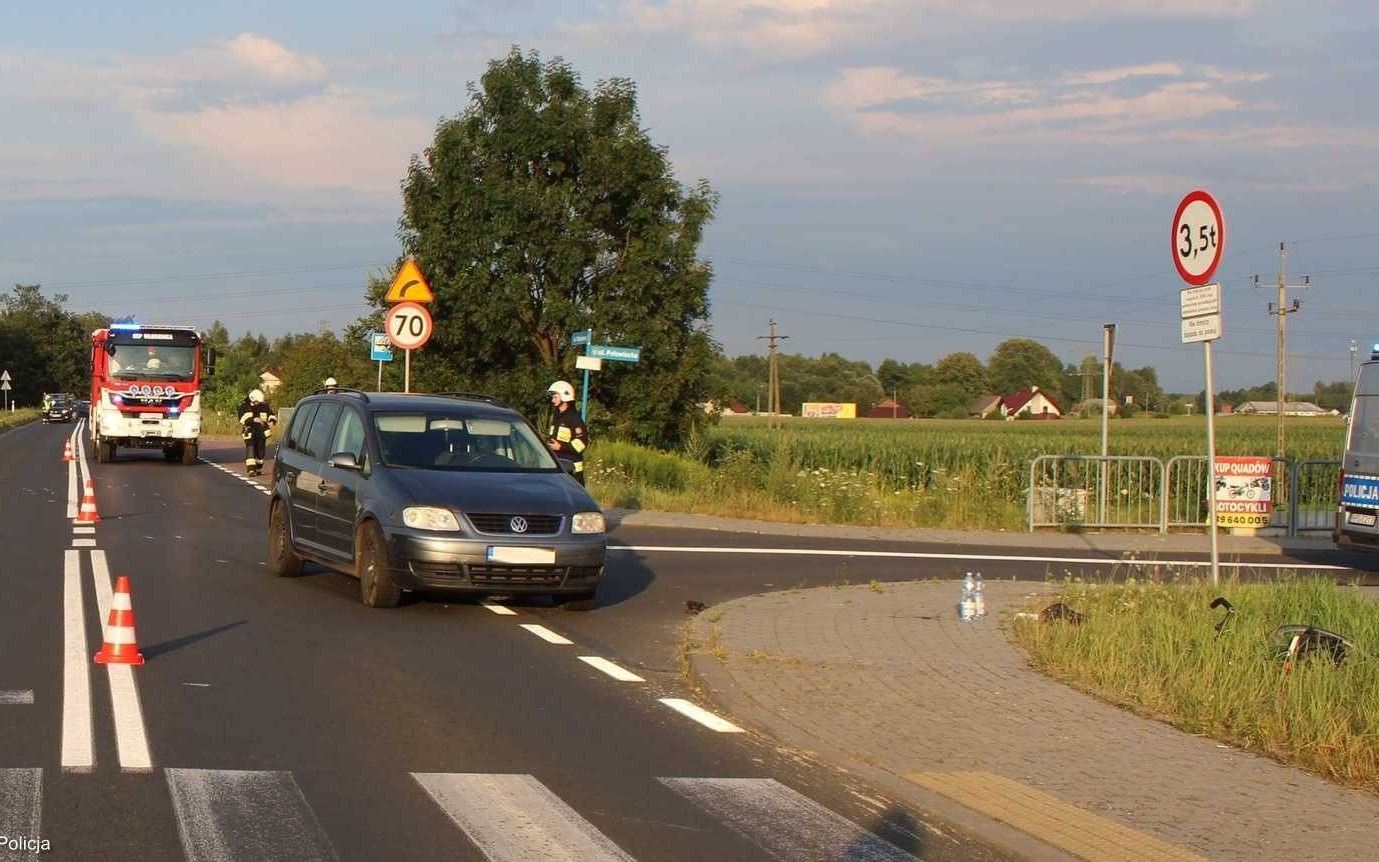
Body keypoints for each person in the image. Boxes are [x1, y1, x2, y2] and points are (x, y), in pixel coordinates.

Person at [546, 380, 588, 484]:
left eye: (555, 397)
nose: (552, 400)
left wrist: (561, 447)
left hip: (573, 471)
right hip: (560, 466)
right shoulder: (557, 417)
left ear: (565, 396)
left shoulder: (574, 418)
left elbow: (582, 443)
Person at [238, 388, 277, 476]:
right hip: (249, 431)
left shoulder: (264, 406)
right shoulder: (244, 406)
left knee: (260, 452)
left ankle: (258, 467)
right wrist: (253, 419)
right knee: (250, 449)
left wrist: (272, 421)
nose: (258, 403)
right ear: (252, 399)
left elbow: (271, 415)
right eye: (256, 402)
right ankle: (251, 470)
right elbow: (241, 418)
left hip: (261, 433)